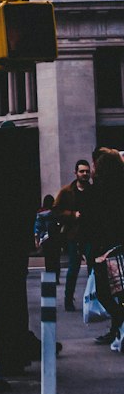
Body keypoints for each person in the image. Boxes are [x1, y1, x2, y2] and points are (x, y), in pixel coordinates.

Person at [81, 149, 124, 348]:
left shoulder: (95, 190)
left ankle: (118, 323)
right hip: (119, 245)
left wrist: (85, 245)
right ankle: (117, 327)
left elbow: (89, 221)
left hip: (103, 249)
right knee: (120, 292)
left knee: (105, 292)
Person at [53, 158, 94, 311]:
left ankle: (94, 300)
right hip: (74, 236)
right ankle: (68, 300)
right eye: (82, 171)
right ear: (75, 173)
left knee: (93, 270)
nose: (85, 174)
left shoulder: (93, 190)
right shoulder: (67, 191)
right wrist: (71, 215)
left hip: (91, 235)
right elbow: (55, 210)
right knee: (73, 270)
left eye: (87, 171)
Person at [33, 194, 62, 281]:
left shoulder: (40, 213)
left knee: (48, 260)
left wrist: (37, 240)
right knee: (56, 258)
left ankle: (50, 278)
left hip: (46, 239)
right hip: (55, 238)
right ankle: (57, 277)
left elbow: (37, 227)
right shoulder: (56, 213)